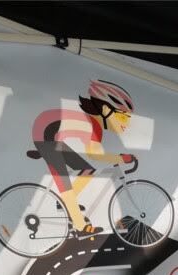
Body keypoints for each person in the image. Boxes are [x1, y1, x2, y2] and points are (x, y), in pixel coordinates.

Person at [32, 79, 137, 237]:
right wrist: (122, 159)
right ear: (105, 108)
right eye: (123, 118)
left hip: (48, 133)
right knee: (66, 185)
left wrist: (120, 158)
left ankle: (67, 204)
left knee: (87, 170)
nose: (126, 124)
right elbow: (95, 155)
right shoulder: (93, 126)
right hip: (45, 135)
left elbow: (93, 154)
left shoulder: (91, 123)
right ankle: (79, 225)